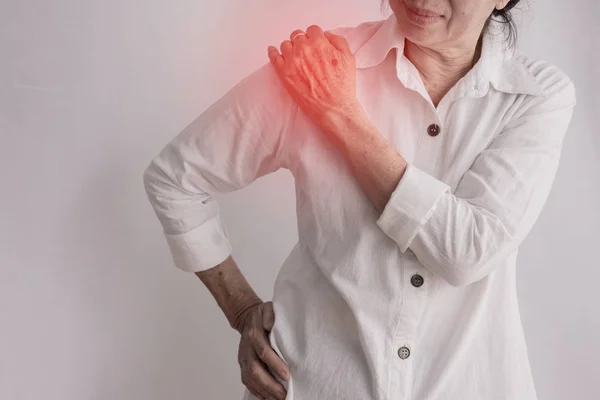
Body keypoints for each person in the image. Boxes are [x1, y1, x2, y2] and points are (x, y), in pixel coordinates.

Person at [142, 0, 576, 398]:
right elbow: (176, 178)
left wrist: (341, 115)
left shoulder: (535, 97)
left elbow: (466, 252)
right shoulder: (315, 65)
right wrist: (242, 311)